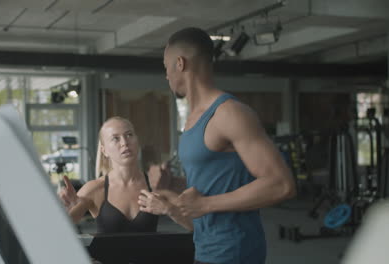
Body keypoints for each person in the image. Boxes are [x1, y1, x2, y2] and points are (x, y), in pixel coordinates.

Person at [141, 27, 296, 264]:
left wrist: (205, 204)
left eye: (166, 67)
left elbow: (281, 184)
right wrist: (171, 183)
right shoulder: (193, 119)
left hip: (235, 251)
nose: (166, 76)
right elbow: (212, 183)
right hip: (206, 247)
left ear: (180, 64)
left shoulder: (229, 114)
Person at [59, 116, 192, 233]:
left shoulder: (155, 185)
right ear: (104, 150)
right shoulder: (95, 189)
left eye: (129, 135)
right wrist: (66, 211)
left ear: (137, 140)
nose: (125, 143)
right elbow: (60, 227)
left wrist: (169, 209)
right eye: (115, 138)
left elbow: (195, 226)